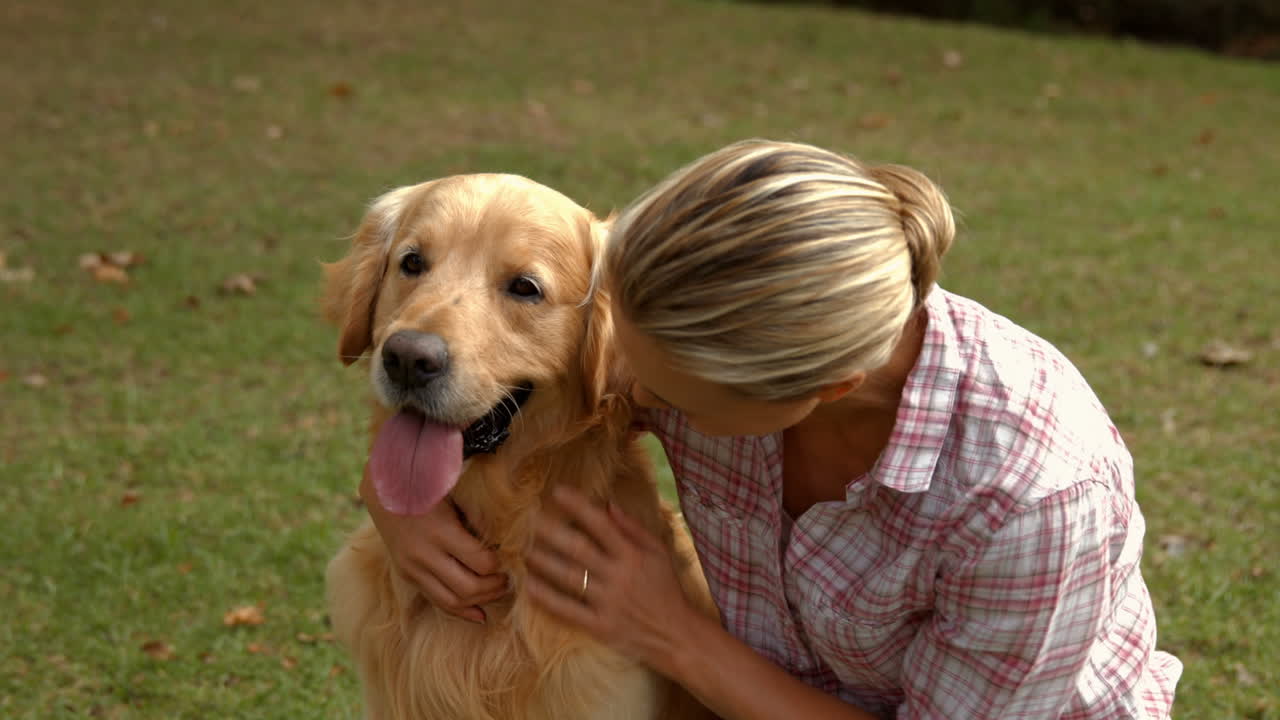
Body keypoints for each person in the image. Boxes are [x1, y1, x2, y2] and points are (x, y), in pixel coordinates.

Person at [360, 140, 1182, 719]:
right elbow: (502, 394)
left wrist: (675, 636)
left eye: (656, 385)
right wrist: (398, 500)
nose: (622, 387)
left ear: (827, 389)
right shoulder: (707, 304)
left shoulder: (1032, 502)